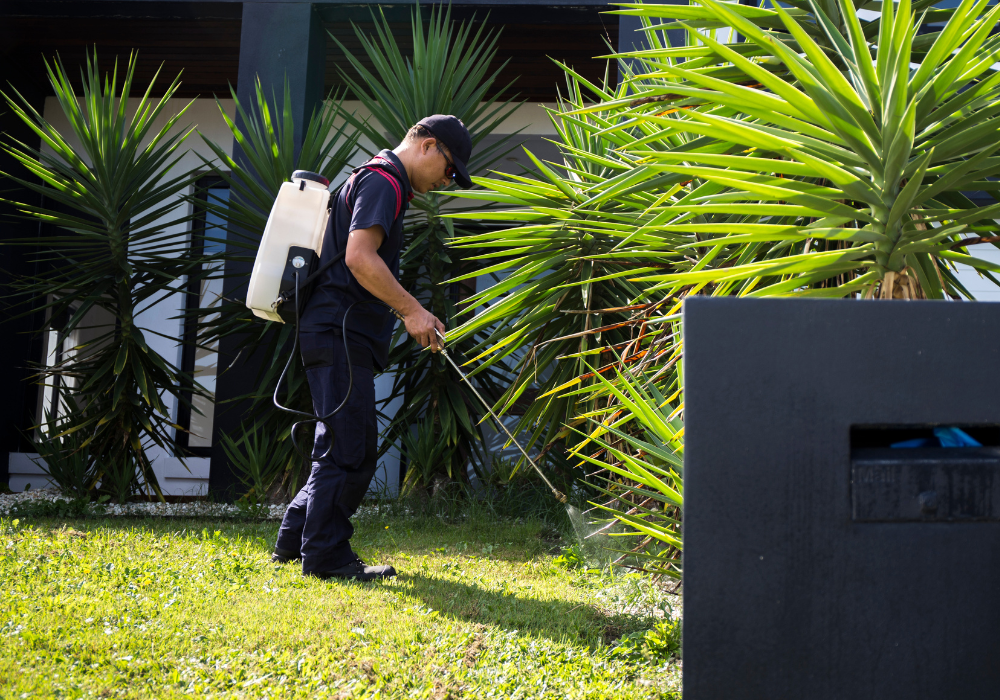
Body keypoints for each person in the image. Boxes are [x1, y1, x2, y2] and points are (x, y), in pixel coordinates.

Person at [271, 115, 474, 581]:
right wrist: (412, 311)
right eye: (449, 169)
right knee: (351, 448)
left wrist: (404, 310)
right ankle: (326, 557)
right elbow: (359, 258)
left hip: (333, 329)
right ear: (428, 146)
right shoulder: (385, 182)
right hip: (338, 332)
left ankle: (292, 544)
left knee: (338, 443)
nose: (447, 181)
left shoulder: (373, 177)